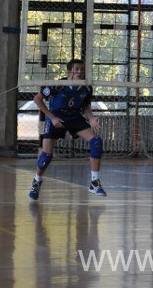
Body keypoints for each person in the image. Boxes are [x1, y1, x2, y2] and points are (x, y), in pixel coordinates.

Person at [28, 59, 105, 200]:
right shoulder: (58, 85)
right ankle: (37, 181)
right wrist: (52, 118)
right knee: (46, 156)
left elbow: (85, 106)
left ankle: (94, 182)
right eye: (77, 69)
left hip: (75, 117)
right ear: (69, 71)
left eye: (82, 69)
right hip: (57, 116)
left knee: (96, 142)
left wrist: (91, 117)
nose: (80, 72)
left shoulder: (87, 87)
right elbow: (37, 99)